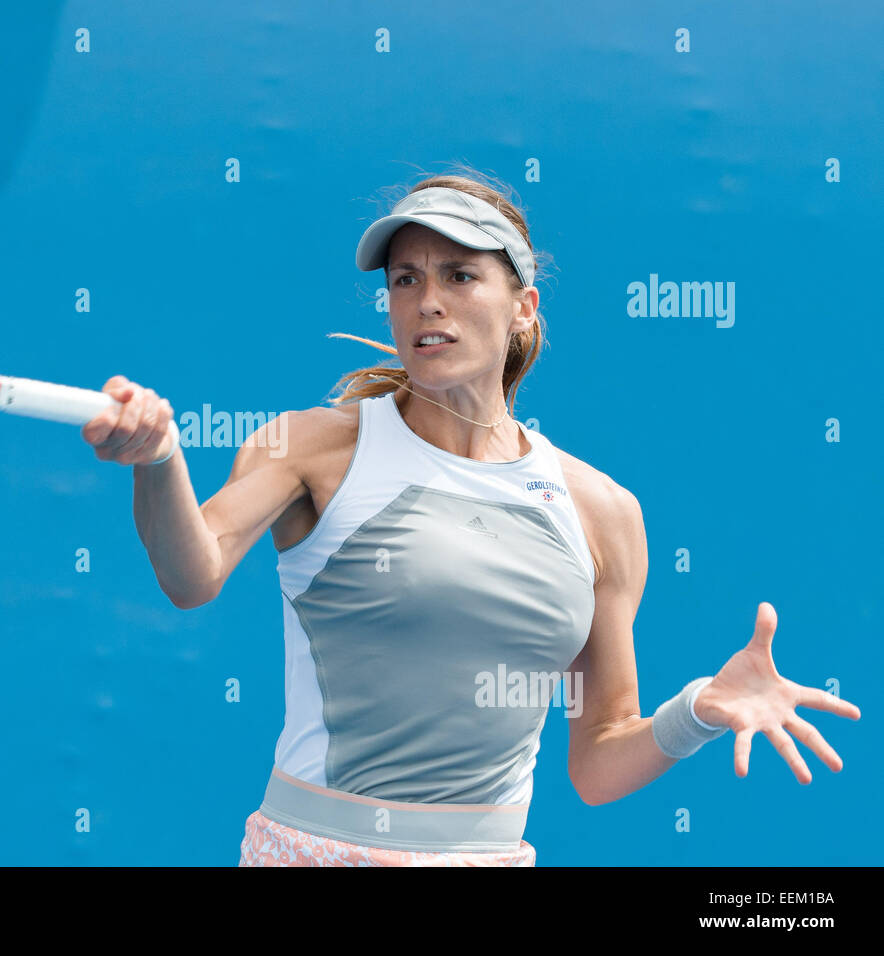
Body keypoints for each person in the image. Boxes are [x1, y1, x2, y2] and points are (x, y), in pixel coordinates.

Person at [80, 169, 862, 867]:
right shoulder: (309, 446)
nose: (427, 300)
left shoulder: (603, 511)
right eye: (405, 278)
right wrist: (159, 459)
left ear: (523, 307)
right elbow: (193, 572)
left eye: (460, 275)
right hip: (312, 854)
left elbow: (598, 762)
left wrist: (696, 711)